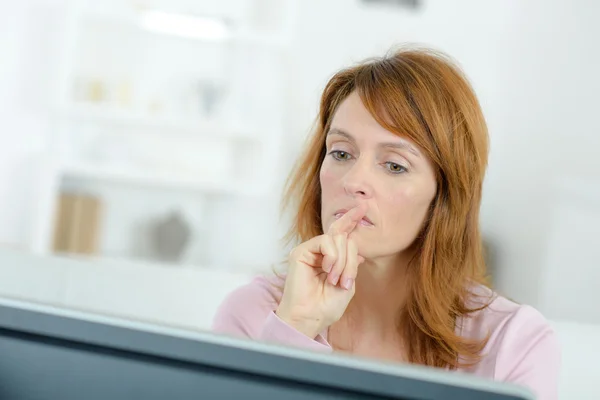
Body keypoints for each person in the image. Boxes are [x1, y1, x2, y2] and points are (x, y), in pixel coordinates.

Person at [212, 47, 561, 399]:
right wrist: (295, 329)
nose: (353, 181)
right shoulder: (253, 315)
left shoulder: (513, 344)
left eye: (394, 165)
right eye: (341, 153)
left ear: (444, 193)